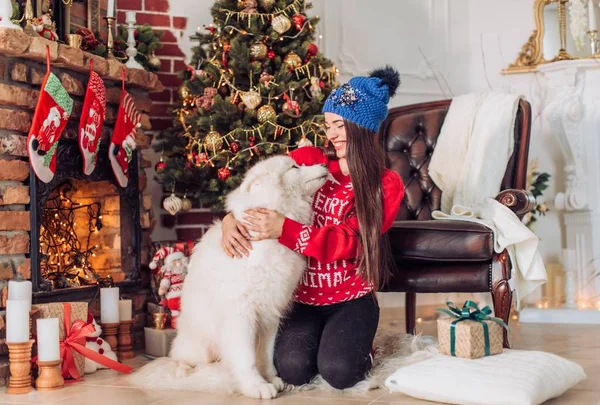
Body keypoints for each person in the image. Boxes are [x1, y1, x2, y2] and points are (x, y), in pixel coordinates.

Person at [221, 66, 405, 390]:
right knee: (292, 370)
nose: (331, 134)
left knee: (339, 372)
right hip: (303, 297)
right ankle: (325, 342)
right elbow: (263, 185)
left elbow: (353, 241)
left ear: (362, 127)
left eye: (340, 125)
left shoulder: (385, 185)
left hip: (351, 298)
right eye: (328, 125)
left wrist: (285, 229)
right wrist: (229, 219)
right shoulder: (310, 162)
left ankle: (362, 348)